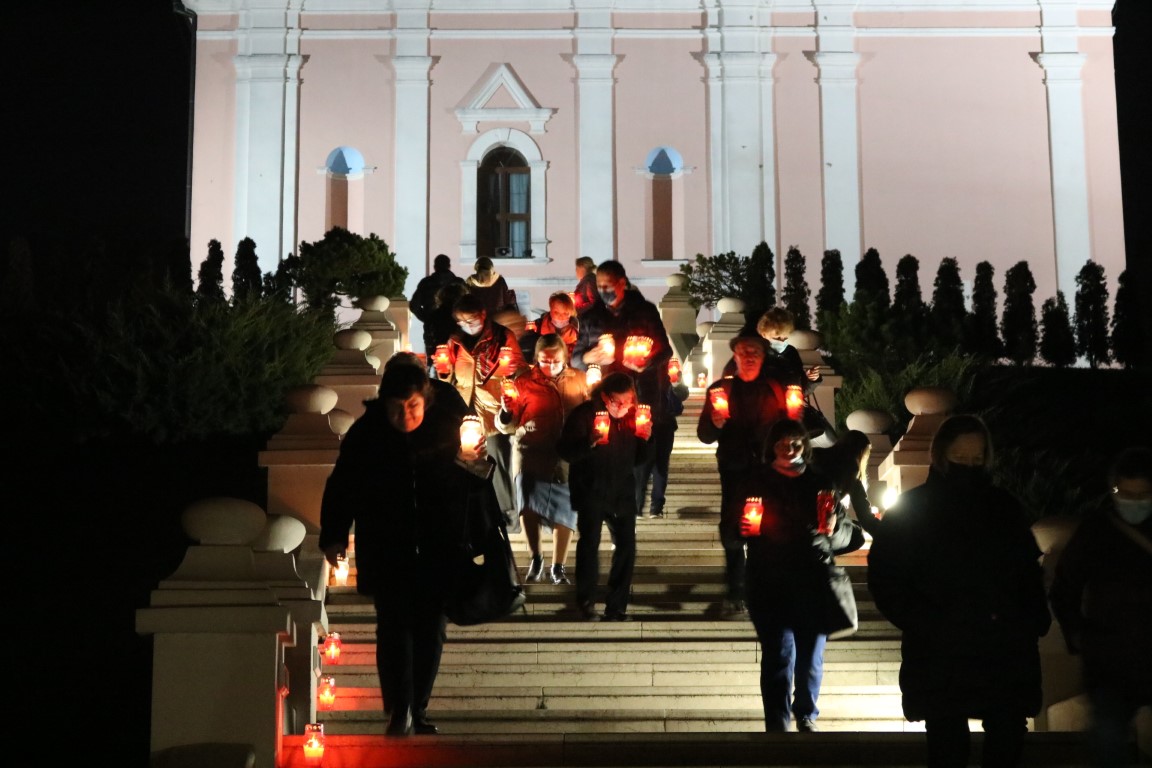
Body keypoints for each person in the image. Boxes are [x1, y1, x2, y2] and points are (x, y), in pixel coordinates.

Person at [867, 414, 1051, 768]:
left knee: (1007, 737)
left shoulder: (1003, 507)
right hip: (941, 647)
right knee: (947, 742)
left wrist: (1031, 619)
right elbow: (888, 578)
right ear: (941, 455)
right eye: (960, 457)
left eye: (977, 458)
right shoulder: (914, 509)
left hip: (1003, 646)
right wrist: (926, 622)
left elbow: (1027, 571)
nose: (969, 465)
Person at [317, 363, 486, 737]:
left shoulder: (447, 427)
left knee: (431, 629)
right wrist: (334, 536)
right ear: (384, 403)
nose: (405, 415)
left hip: (438, 545)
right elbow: (342, 485)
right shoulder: (368, 433)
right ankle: (398, 710)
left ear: (424, 400)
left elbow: (472, 485)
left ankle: (417, 708)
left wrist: (478, 464)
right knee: (393, 628)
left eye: (412, 406)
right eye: (396, 407)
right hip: (386, 546)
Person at [737, 418, 864, 732]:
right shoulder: (756, 481)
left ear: (804, 446)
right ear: (773, 446)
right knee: (778, 654)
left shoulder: (820, 483)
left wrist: (834, 528)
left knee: (810, 654)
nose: (789, 447)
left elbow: (848, 535)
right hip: (769, 578)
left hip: (811, 577)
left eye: (796, 442)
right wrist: (742, 530)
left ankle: (806, 714)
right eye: (782, 442)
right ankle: (777, 721)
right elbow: (734, 525)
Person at [1049, 445, 1152, 768]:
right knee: (1108, 740)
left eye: (1142, 495)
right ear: (1113, 489)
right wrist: (1079, 635)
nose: (1133, 502)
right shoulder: (1097, 531)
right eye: (1126, 493)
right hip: (1110, 661)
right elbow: (1064, 586)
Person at [571, 260, 674, 517]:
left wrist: (647, 362)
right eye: (600, 286)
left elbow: (665, 350)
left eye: (609, 285)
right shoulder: (592, 316)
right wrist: (590, 357)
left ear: (622, 283)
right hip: (606, 395)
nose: (604, 290)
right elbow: (574, 357)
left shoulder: (645, 311)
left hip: (641, 392)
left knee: (640, 450)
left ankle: (634, 507)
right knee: (606, 447)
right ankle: (606, 504)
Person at [697, 332, 788, 614]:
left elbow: (791, 431)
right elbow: (704, 435)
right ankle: (735, 592)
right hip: (734, 470)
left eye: (755, 352)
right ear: (734, 356)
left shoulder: (775, 389)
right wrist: (715, 424)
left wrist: (793, 421)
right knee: (732, 530)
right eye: (743, 352)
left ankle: (762, 590)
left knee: (768, 530)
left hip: (768, 471)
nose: (748, 357)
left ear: (763, 357)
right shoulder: (720, 390)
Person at [557, 372, 651, 621]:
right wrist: (590, 442)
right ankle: (586, 601)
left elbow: (639, 460)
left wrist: (645, 439)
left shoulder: (633, 417)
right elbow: (566, 451)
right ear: (605, 397)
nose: (623, 407)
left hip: (622, 491)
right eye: (617, 402)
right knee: (589, 544)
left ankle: (617, 606)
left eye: (628, 401)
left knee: (627, 547)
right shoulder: (585, 414)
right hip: (591, 489)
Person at [498, 333, 588, 586]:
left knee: (566, 511)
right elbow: (507, 424)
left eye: (555, 360)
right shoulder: (523, 382)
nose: (550, 366)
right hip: (531, 451)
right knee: (529, 506)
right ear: (536, 359)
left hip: (567, 455)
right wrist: (506, 411)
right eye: (544, 361)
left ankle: (558, 565)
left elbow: (591, 412)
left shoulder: (580, 380)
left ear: (565, 357)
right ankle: (536, 557)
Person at [439, 293, 530, 528]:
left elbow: (519, 368)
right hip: (463, 409)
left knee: (497, 462)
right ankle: (471, 515)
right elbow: (447, 374)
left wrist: (510, 373)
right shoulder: (455, 339)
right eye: (460, 321)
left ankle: (508, 515)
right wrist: (443, 370)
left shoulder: (501, 336)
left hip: (492, 411)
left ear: (482, 315)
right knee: (465, 463)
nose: (466, 326)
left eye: (470, 320)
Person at [811, 429, 882, 537]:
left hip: (799, 518)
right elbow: (865, 517)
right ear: (861, 454)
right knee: (857, 534)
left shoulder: (816, 454)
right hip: (826, 524)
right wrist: (887, 533)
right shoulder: (851, 474)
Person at [635, 380, 688, 519]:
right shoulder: (662, 377)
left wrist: (675, 385)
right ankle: (650, 508)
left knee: (651, 467)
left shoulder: (660, 378)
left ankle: (645, 508)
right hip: (650, 425)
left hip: (658, 426)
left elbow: (681, 396)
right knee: (650, 467)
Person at [410, 254, 466, 368]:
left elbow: (414, 305)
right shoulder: (459, 283)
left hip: (433, 327)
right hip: (457, 326)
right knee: (459, 358)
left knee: (434, 360)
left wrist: (426, 318)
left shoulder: (426, 283)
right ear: (449, 266)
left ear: (435, 266)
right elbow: (468, 303)